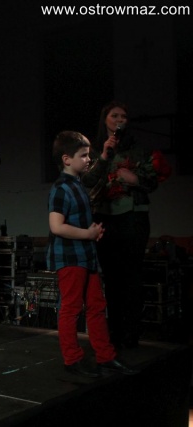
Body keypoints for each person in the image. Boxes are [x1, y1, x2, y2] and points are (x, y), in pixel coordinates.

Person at [47, 130, 138, 377]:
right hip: (70, 257)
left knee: (97, 306)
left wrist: (92, 233)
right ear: (67, 159)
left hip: (87, 255)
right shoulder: (61, 188)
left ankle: (105, 356)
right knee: (71, 308)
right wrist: (87, 234)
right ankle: (72, 359)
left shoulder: (78, 185)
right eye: (84, 155)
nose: (88, 159)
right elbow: (56, 226)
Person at [82, 101, 169, 349]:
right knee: (111, 277)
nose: (120, 120)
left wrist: (135, 179)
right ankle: (114, 331)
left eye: (123, 116)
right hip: (105, 218)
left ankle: (131, 333)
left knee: (131, 276)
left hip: (133, 218)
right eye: (115, 115)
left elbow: (152, 182)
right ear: (105, 119)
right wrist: (104, 155)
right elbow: (87, 180)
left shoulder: (137, 149)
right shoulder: (95, 150)